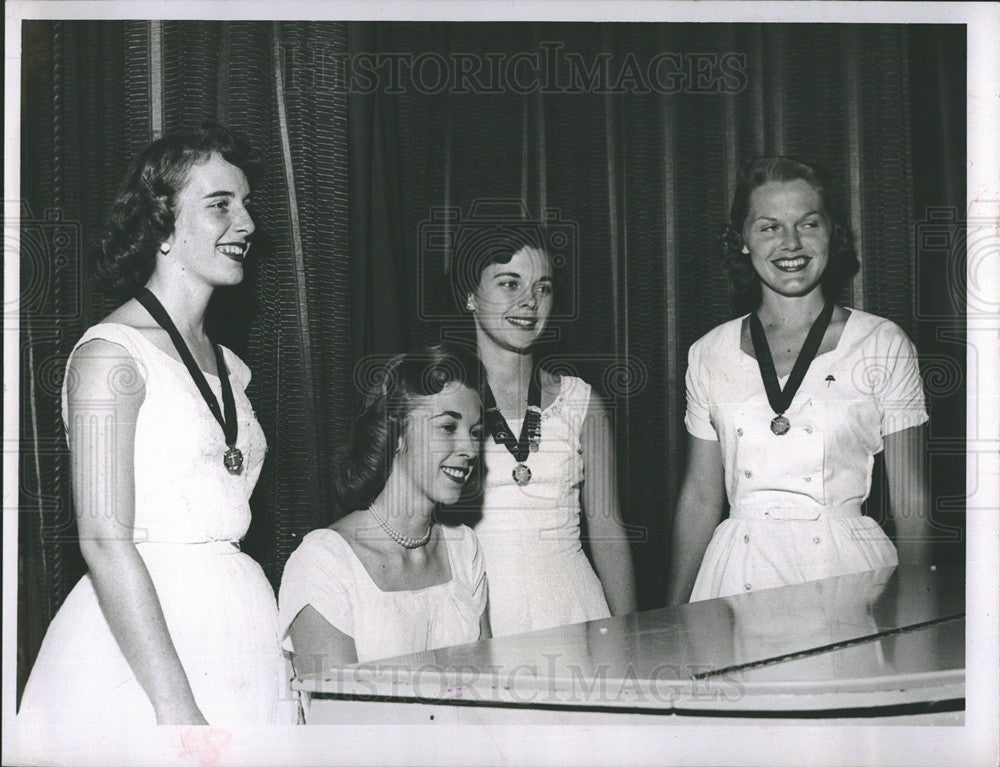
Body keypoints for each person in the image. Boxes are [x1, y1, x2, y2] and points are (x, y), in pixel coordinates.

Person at [18, 125, 292, 734]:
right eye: (221, 204)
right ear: (162, 225)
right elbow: (102, 540)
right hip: (146, 659)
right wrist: (180, 715)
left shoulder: (230, 367)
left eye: (247, 204)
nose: (246, 224)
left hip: (239, 632)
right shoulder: (108, 357)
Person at [669, 156, 931, 604]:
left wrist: (918, 614)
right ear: (743, 242)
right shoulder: (708, 352)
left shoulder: (881, 342)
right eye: (769, 227)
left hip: (848, 578)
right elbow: (699, 499)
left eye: (808, 224)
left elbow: (913, 503)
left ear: (832, 233)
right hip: (735, 577)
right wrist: (672, 614)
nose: (791, 244)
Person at [451, 227, 637, 637]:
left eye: (543, 288)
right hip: (478, 613)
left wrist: (630, 638)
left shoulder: (582, 401)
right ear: (469, 295)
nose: (529, 302)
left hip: (574, 609)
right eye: (509, 283)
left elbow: (607, 531)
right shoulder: (440, 400)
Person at [279, 346, 489, 670]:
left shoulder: (465, 549)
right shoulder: (324, 562)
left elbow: (487, 690)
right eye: (448, 428)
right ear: (398, 433)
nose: (470, 449)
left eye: (475, 433)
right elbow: (335, 714)